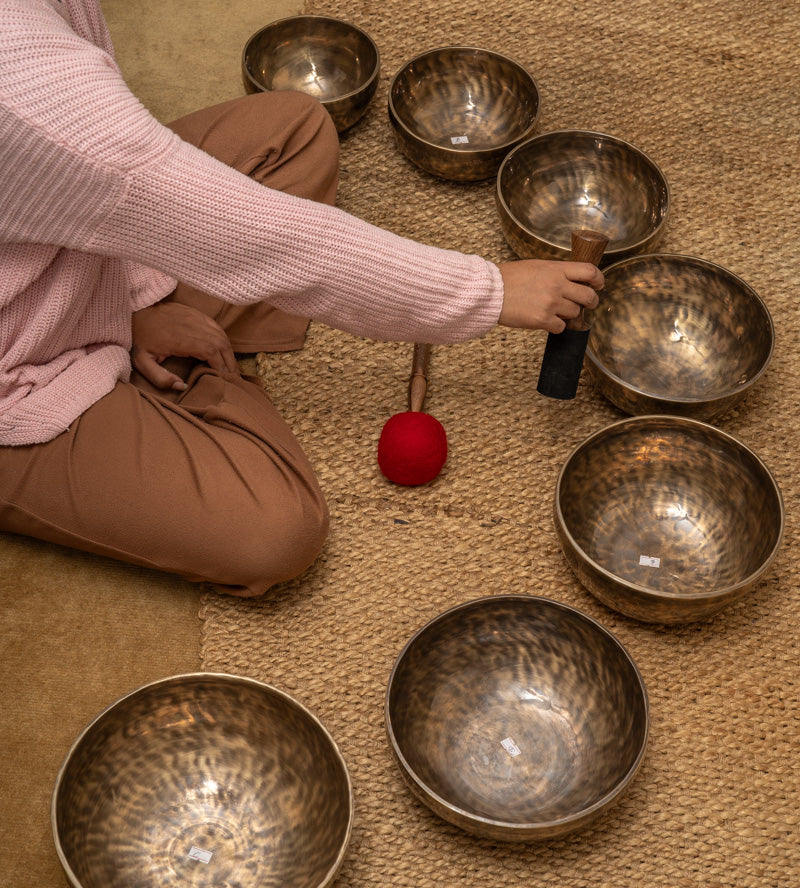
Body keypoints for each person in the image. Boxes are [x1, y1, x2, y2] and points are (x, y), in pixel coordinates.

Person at [0, 0, 604, 596]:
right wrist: (486, 292)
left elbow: (95, 182)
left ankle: (159, 374)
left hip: (60, 266)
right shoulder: (20, 91)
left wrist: (132, 302)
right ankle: (192, 395)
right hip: (20, 371)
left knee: (294, 129)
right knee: (276, 531)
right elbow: (251, 237)